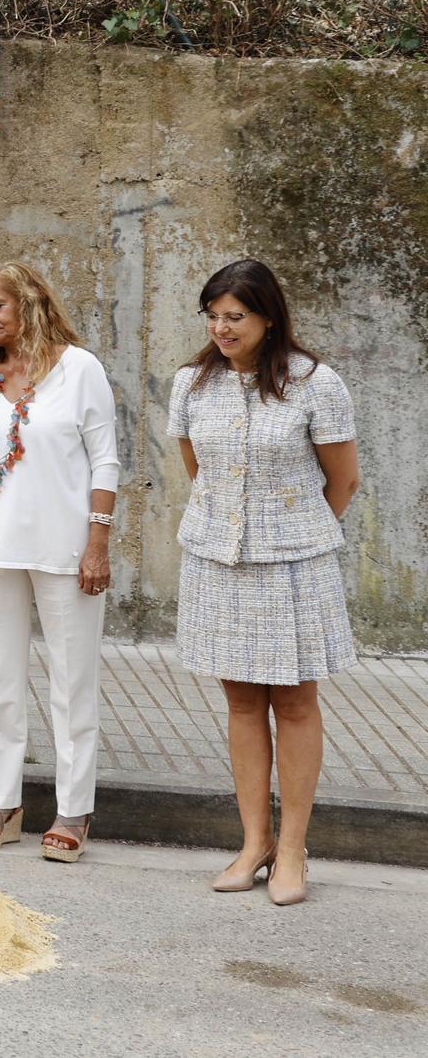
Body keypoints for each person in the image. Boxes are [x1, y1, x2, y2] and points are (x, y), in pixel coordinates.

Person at [168, 259, 359, 906]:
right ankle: (255, 842)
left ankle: (295, 848)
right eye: (214, 315)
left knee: (296, 703)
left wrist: (294, 531)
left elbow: (344, 481)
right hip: (218, 562)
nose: (221, 327)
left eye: (235, 316)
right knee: (243, 704)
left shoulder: (315, 383)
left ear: (268, 316)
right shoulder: (191, 384)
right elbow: (200, 471)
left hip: (294, 564)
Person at [0, 263, 119, 863]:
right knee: (0, 681)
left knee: (71, 682)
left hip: (65, 548)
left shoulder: (79, 369)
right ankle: (4, 803)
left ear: (30, 303)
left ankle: (74, 811)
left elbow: (105, 462)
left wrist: (97, 541)